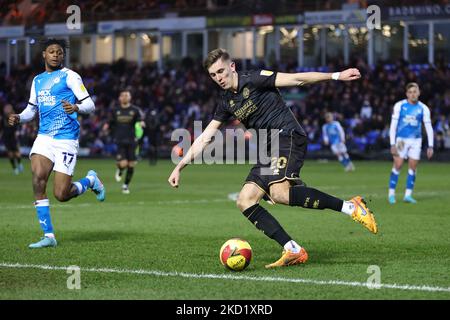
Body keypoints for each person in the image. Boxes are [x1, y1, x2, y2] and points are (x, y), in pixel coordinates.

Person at [168, 49, 377, 268]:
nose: (218, 78)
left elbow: (297, 79)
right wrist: (180, 166)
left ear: (232, 67)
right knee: (245, 200)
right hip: (268, 148)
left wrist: (335, 75)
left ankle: (352, 208)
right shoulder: (226, 101)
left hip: (288, 136)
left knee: (279, 193)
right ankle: (292, 249)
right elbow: (205, 137)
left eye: (221, 71)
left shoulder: (255, 78)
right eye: (213, 75)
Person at [8, 38, 105, 249]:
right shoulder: (37, 80)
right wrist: (19, 117)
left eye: (59, 52)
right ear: (44, 54)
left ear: (63, 56)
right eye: (52, 51)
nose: (55, 55)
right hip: (44, 138)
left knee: (61, 194)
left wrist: (76, 108)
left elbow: (90, 104)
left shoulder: (70, 76)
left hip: (66, 139)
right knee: (37, 180)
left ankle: (90, 181)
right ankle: (49, 236)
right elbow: (31, 110)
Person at [388, 82, 434, 204]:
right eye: (410, 92)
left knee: (413, 167)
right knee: (398, 165)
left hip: (416, 141)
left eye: (415, 92)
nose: (413, 94)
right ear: (406, 94)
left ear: (419, 93)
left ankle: (407, 195)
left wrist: (431, 145)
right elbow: (393, 126)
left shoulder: (423, 108)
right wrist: (392, 144)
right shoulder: (399, 106)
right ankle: (391, 194)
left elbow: (428, 127)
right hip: (401, 140)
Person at [109, 90, 144, 194]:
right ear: (120, 98)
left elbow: (139, 120)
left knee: (131, 164)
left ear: (130, 97)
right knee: (123, 164)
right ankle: (120, 169)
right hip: (120, 140)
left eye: (127, 95)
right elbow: (111, 123)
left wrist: (141, 123)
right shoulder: (115, 110)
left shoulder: (135, 110)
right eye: (123, 95)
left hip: (132, 140)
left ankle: (125, 186)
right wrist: (108, 127)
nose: (124, 97)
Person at [1, 104, 24, 174]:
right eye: (6, 109)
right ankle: (15, 168)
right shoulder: (3, 118)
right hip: (6, 138)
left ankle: (19, 164)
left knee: (17, 153)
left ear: (11, 109)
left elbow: (19, 126)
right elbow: (2, 128)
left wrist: (18, 132)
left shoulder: (14, 117)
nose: (6, 110)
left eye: (8, 109)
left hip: (13, 138)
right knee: (10, 154)